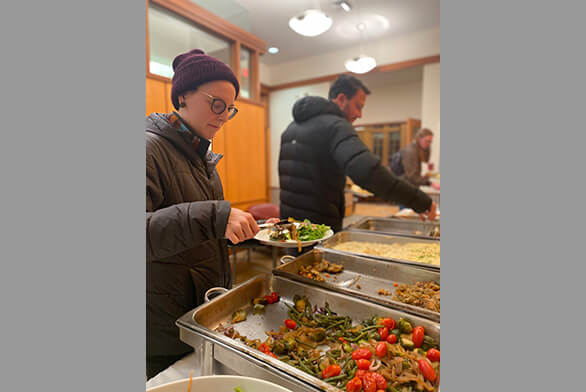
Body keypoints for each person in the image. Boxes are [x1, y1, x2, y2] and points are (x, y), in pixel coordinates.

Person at [145, 49, 264, 379]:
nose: (224, 115)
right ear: (182, 95)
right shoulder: (148, 148)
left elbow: (198, 230)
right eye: (217, 104)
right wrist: (213, 217)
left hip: (199, 311)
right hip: (161, 325)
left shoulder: (202, 157)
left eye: (230, 109)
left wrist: (235, 229)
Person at [278, 74, 436, 233]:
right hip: (318, 228)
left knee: (295, 259)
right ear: (341, 99)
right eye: (358, 107)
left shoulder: (290, 128)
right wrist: (420, 201)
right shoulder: (336, 126)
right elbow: (368, 173)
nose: (360, 115)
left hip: (291, 225)